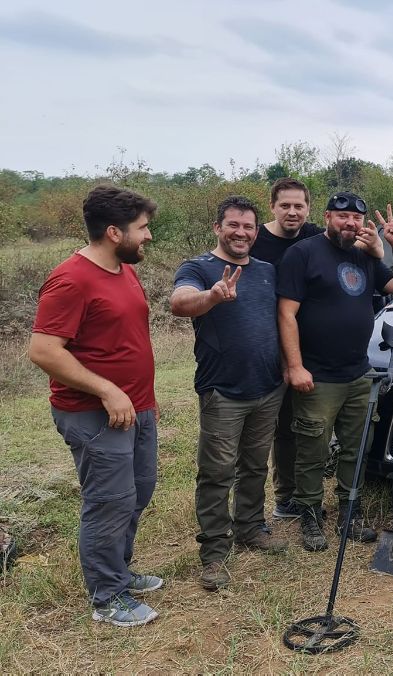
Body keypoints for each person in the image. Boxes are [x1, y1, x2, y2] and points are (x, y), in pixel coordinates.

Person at [28, 185, 162, 626]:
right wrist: (107, 390)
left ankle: (118, 569)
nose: (148, 237)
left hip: (135, 408)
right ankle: (107, 596)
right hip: (94, 413)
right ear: (113, 231)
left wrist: (142, 400)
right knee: (109, 501)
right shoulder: (71, 279)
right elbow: (45, 351)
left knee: (138, 491)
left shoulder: (123, 268)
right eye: (142, 229)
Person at [276, 192, 393, 552]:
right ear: (326, 217)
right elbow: (286, 313)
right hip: (317, 376)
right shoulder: (302, 254)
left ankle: (349, 515)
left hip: (358, 374)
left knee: (357, 449)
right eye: (342, 217)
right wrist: (294, 366)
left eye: (355, 218)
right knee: (312, 451)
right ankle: (309, 515)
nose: (349, 223)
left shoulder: (364, 256)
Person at [170, 195, 290, 592]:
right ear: (217, 228)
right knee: (217, 473)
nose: (241, 233)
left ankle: (250, 528)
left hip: (268, 386)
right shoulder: (198, 268)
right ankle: (214, 552)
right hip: (223, 390)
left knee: (255, 466)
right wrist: (212, 296)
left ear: (257, 231)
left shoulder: (268, 271)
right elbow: (179, 302)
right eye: (233, 225)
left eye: (248, 227)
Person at [249, 178, 382, 521]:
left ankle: (342, 509)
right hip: (281, 356)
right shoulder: (261, 241)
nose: (292, 211)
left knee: (345, 443)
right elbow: (284, 310)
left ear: (309, 211)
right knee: (293, 437)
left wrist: (388, 249)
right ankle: (292, 502)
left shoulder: (352, 249)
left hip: (350, 370)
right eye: (285, 205)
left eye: (298, 206)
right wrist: (293, 364)